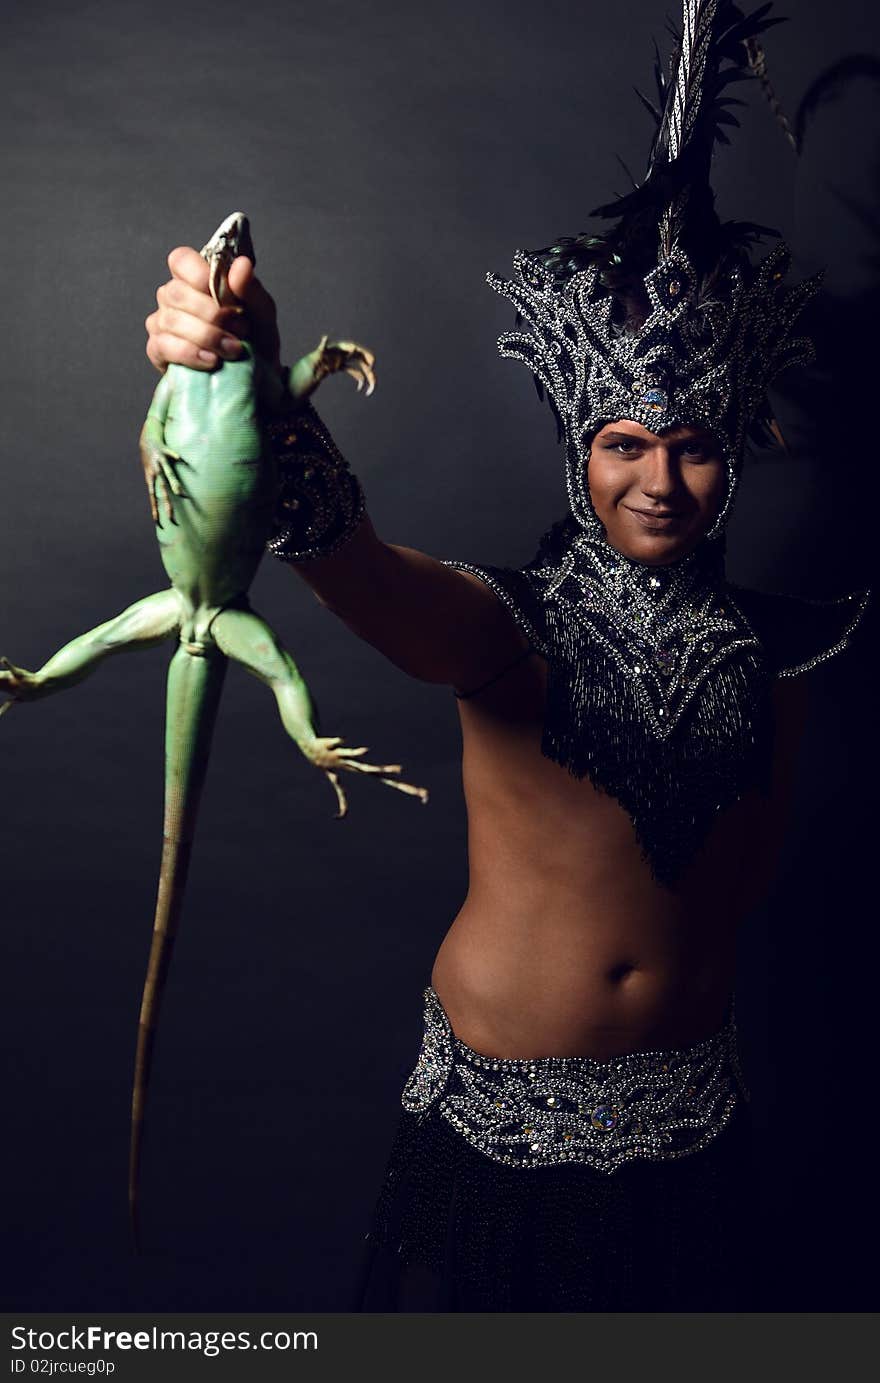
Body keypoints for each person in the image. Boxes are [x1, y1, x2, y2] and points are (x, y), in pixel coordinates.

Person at [143, 1, 870, 1311]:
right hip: (502, 1125)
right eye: (625, 444)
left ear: (735, 456)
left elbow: (748, 871)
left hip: (699, 1111)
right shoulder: (508, 622)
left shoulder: (782, 648)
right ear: (580, 451)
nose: (661, 481)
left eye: (693, 443)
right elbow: (361, 570)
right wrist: (255, 383)